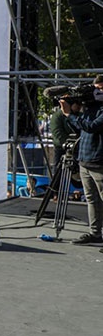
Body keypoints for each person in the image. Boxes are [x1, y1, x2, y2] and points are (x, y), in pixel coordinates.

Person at [60, 74, 103, 245]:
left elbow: (91, 127)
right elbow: (80, 128)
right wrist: (74, 113)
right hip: (85, 160)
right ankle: (95, 233)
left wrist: (70, 114)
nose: (96, 91)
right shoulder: (90, 108)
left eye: (100, 88)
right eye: (96, 88)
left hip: (99, 161)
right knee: (92, 199)